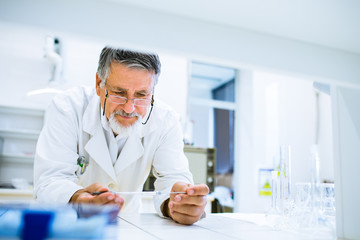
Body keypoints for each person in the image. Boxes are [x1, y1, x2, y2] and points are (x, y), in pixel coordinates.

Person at [33, 46, 209, 225]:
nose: (129, 108)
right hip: (72, 227)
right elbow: (50, 181)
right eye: (119, 93)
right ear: (99, 83)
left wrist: (177, 203)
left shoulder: (166, 120)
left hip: (130, 228)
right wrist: (79, 199)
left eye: (141, 95)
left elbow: (173, 178)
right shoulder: (68, 108)